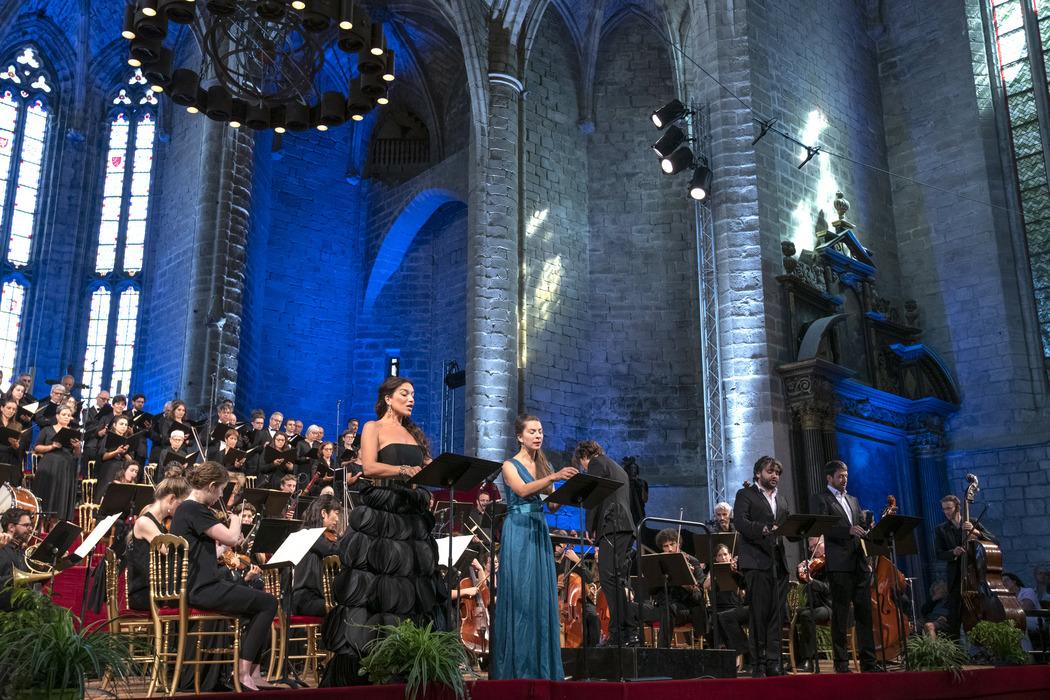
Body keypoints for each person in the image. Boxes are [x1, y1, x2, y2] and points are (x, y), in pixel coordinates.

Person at [322, 376, 445, 686]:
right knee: (377, 587)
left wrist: (436, 472)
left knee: (413, 588)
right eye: (404, 393)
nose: (411, 399)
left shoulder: (413, 434)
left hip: (411, 517)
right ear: (388, 398)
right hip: (383, 513)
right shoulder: (372, 427)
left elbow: (424, 469)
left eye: (413, 394)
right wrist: (403, 470)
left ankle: (409, 665)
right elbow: (370, 468)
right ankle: (373, 667)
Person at [171, 461, 277, 691]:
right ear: (211, 486)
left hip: (197, 585)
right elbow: (231, 537)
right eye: (220, 490)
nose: (221, 495)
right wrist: (236, 518)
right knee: (268, 603)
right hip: (201, 588)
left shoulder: (186, 509)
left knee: (257, 598)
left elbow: (208, 550)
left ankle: (253, 671)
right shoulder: (194, 509)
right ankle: (243, 673)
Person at [490, 414, 576, 680]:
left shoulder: (544, 465)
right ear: (520, 436)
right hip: (518, 529)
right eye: (532, 432)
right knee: (520, 594)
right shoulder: (509, 465)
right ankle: (517, 668)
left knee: (540, 595)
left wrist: (570, 491)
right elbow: (523, 490)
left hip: (538, 528)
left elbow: (552, 505)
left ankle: (542, 667)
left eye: (540, 431)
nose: (538, 436)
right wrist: (555, 477)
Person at [811, 460, 877, 672]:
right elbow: (823, 527)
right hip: (839, 564)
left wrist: (869, 527)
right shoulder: (821, 499)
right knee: (840, 615)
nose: (844, 479)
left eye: (846, 476)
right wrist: (847, 531)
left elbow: (859, 526)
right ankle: (841, 664)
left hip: (859, 563)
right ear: (829, 478)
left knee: (864, 614)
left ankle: (869, 663)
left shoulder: (853, 499)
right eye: (840, 476)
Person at [733, 455, 792, 677]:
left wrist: (799, 529)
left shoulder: (782, 499)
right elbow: (740, 522)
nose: (775, 475)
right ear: (758, 473)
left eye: (777, 472)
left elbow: (786, 526)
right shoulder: (746, 494)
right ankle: (758, 663)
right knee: (758, 614)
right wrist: (763, 529)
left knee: (776, 615)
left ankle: (773, 662)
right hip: (756, 562)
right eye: (770, 471)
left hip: (778, 563)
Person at [574, 439, 637, 647]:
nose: (584, 469)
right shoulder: (616, 466)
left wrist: (590, 526)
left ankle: (619, 633)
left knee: (609, 580)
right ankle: (628, 632)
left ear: (584, 457)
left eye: (582, 465)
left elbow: (595, 494)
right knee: (618, 580)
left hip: (612, 526)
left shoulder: (596, 463)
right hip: (624, 526)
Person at [125, 467, 191, 610]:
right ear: (172, 499)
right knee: (192, 594)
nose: (183, 510)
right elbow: (169, 552)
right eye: (181, 504)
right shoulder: (145, 522)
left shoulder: (159, 521)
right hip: (145, 593)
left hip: (157, 588)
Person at [933, 493, 996, 640]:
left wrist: (977, 532)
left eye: (949, 508)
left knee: (982, 612)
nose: (946, 512)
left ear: (957, 507)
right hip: (956, 578)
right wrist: (953, 552)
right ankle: (956, 649)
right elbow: (939, 554)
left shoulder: (972, 522)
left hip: (975, 575)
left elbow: (995, 540)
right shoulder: (941, 529)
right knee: (954, 616)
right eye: (944, 509)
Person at [651, 528, 706, 647]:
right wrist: (654, 574)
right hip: (663, 606)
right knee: (634, 608)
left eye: (672, 544)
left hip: (686, 609)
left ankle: (662, 650)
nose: (670, 549)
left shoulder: (692, 561)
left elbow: (698, 597)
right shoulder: (659, 562)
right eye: (666, 546)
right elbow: (651, 591)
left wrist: (687, 582)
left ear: (679, 544)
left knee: (668, 609)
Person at [291, 495, 342, 617]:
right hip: (305, 600)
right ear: (323, 513)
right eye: (336, 513)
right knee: (343, 610)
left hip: (319, 598)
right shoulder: (307, 534)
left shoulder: (321, 537)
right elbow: (332, 550)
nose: (338, 519)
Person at [705, 542, 750, 669]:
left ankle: (735, 656)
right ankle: (724, 655)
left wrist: (735, 574)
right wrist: (715, 573)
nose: (723, 557)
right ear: (716, 558)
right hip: (718, 606)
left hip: (734, 606)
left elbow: (744, 592)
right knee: (708, 623)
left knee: (723, 619)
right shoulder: (713, 570)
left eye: (725, 554)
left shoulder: (736, 569)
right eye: (720, 555)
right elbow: (705, 585)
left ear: (730, 555)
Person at [32, 405, 80, 523]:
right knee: (45, 494)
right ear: (57, 416)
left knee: (60, 497)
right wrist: (52, 446)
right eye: (63, 414)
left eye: (68, 415)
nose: (66, 417)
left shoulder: (73, 433)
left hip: (65, 468)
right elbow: (37, 447)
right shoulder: (47, 430)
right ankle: (41, 525)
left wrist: (77, 447)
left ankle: (55, 525)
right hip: (49, 466)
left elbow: (77, 455)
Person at [793, 537, 832, 672]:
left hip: (828, 606)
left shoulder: (831, 562)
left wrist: (811, 581)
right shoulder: (815, 564)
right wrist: (800, 572)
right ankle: (796, 659)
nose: (813, 550)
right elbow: (803, 581)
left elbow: (828, 588)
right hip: (814, 605)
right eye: (811, 547)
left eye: (815, 545)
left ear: (824, 543)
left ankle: (809, 660)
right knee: (790, 616)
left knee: (807, 615)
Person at [1002, 572, 1039, 651]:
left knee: (1016, 621)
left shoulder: (1027, 591)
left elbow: (1026, 608)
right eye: (1002, 582)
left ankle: (1026, 653)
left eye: (1006, 580)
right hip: (1014, 619)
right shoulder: (1004, 596)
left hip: (1034, 620)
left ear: (1014, 581)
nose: (1004, 583)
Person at [0, 398, 29, 481]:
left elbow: (18, 447)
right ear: (2, 408)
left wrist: (16, 445)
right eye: (8, 408)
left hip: (9, 456)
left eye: (14, 409)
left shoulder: (18, 425)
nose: (11, 411)